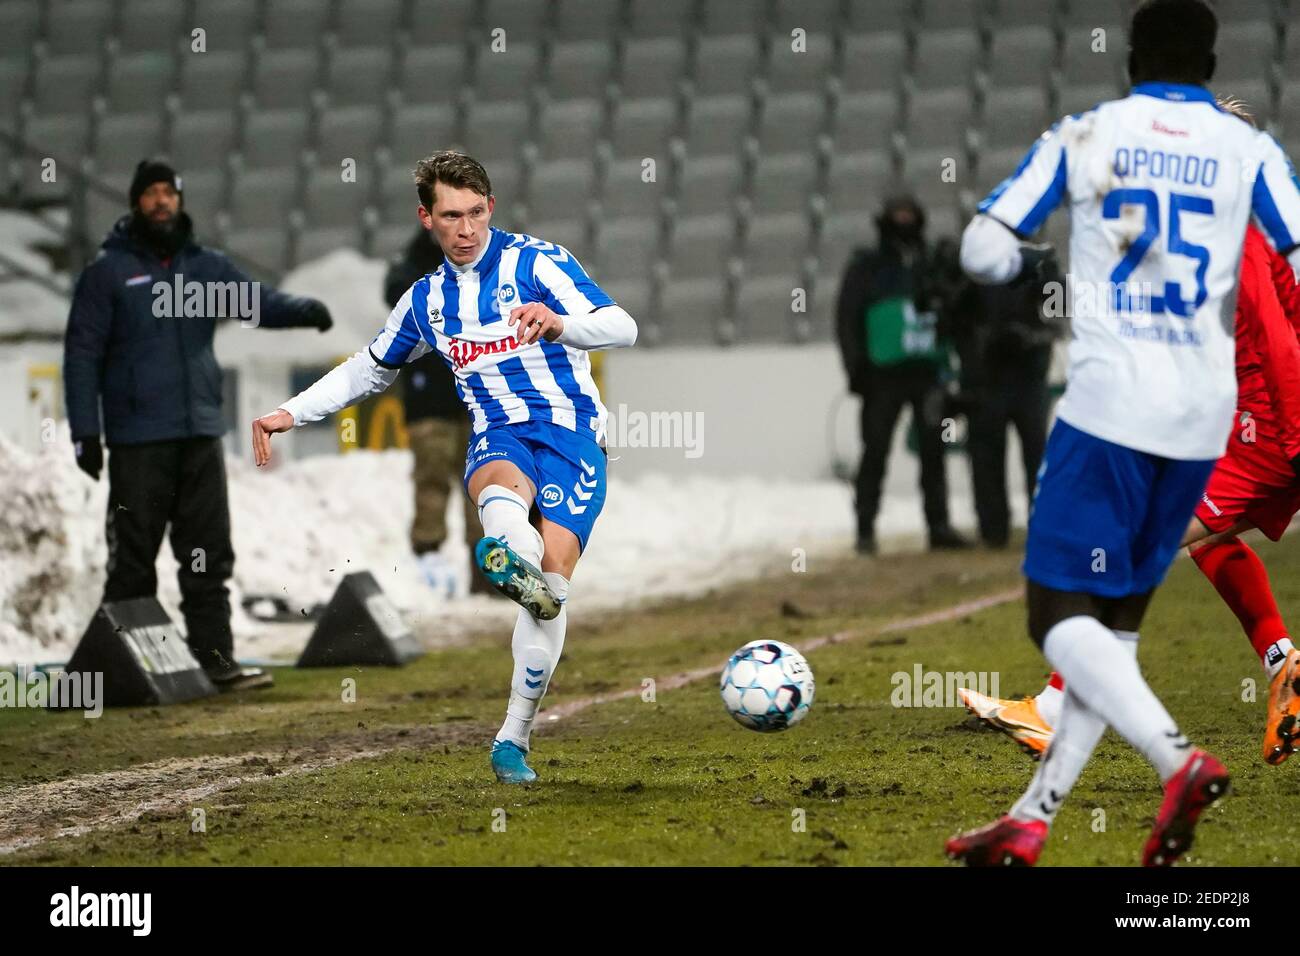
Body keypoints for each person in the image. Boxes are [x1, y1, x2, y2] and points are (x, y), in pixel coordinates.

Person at [946, 0, 1300, 867]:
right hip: (1208, 413)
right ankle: (1035, 816)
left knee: (1062, 605)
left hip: (1129, 409)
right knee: (1127, 612)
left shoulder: (1088, 134)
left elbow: (983, 252)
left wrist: (1025, 257)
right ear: (1212, 63)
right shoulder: (1251, 158)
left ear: (1131, 58)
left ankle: (1173, 759)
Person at [251, 151, 637, 783]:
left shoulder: (538, 262)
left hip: (571, 433)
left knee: (551, 592)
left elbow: (623, 326)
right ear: (426, 217)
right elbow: (367, 369)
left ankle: (513, 731)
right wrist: (289, 413)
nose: (465, 230)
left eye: (476, 213)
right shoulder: (426, 300)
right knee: (497, 497)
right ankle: (509, 554)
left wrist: (562, 323)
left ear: (491, 209)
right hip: (499, 434)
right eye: (451, 216)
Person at [63, 159, 334, 691]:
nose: (162, 201)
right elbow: (81, 355)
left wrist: (303, 309)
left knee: (209, 552)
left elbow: (258, 302)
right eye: (151, 193)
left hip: (200, 435)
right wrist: (84, 431)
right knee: (134, 559)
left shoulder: (204, 269)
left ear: (180, 201)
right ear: (136, 202)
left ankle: (216, 662)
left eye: (170, 192)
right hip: (138, 440)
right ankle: (124, 674)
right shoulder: (109, 272)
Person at [836, 195, 970, 555]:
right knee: (875, 450)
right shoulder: (866, 266)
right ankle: (865, 528)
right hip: (881, 376)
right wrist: (855, 368)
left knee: (933, 450)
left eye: (909, 214)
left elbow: (957, 310)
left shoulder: (932, 263)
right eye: (898, 215)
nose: (904, 221)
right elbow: (847, 318)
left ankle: (938, 526)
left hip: (927, 371)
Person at [382, 226, 491, 597]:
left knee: (480, 485)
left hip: (475, 397)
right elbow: (395, 293)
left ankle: (486, 573)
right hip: (429, 400)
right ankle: (426, 570)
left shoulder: (483, 259)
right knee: (431, 481)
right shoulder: (413, 265)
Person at [949, 246, 1062, 547]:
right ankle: (993, 529)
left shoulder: (1041, 265)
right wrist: (979, 347)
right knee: (987, 456)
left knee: (1036, 455)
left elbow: (1058, 315)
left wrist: (1031, 336)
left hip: (1028, 374)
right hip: (987, 376)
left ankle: (1044, 525)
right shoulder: (974, 264)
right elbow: (956, 318)